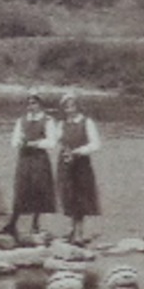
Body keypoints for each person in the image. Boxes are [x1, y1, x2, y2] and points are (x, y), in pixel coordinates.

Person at [2, 93, 59, 243]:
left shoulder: (47, 120)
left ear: (40, 105)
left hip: (39, 158)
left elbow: (52, 142)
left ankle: (35, 223)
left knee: (38, 188)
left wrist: (36, 143)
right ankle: (12, 223)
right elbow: (14, 139)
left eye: (34, 103)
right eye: (29, 103)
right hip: (25, 158)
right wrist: (19, 142)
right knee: (21, 188)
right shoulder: (22, 120)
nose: (31, 106)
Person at [57, 93, 102, 246]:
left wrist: (78, 151)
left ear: (77, 106)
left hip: (81, 163)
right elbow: (58, 140)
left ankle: (79, 232)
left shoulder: (86, 122)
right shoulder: (61, 124)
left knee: (80, 195)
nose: (70, 109)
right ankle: (71, 229)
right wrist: (64, 150)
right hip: (65, 162)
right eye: (67, 106)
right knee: (68, 195)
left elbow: (95, 144)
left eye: (72, 105)